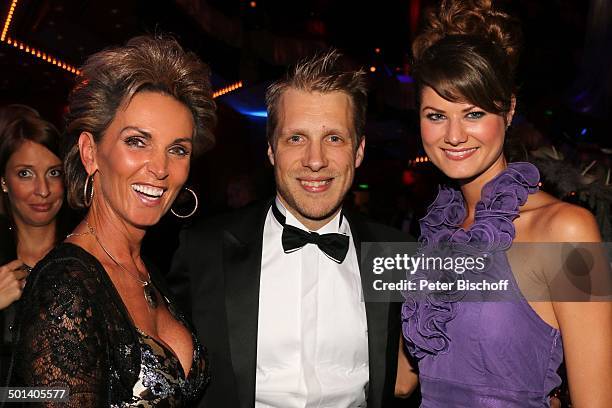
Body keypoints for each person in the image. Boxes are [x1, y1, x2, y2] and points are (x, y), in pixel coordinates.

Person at [168, 49, 414, 407]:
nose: (315, 160)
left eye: (334, 138)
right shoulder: (204, 250)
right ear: (271, 150)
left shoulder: (396, 254)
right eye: (296, 138)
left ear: (358, 151)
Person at [400, 1, 612, 407]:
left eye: (474, 113)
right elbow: (403, 380)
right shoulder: (436, 235)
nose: (455, 135)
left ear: (510, 109)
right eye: (436, 115)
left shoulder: (566, 229)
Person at [7, 35, 216, 406]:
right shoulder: (65, 288)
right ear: (91, 153)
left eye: (177, 149)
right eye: (137, 141)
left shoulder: (147, 270)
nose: (160, 168)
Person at [0, 105, 67, 385]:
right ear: (4, 181)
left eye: (53, 173)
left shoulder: (89, 255)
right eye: (25, 174)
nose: (43, 190)